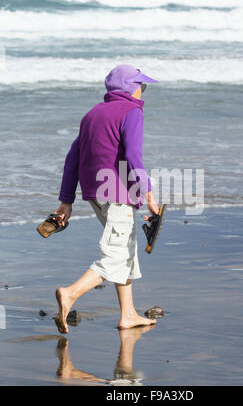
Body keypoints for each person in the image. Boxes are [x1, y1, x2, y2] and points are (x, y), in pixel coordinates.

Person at [53, 64, 160, 334]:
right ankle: (70, 293)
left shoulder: (92, 114)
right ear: (129, 88)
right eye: (141, 86)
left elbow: (72, 158)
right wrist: (148, 193)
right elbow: (134, 158)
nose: (141, 91)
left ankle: (128, 314)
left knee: (124, 247)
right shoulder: (132, 111)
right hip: (118, 192)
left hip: (94, 192)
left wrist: (67, 200)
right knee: (115, 253)